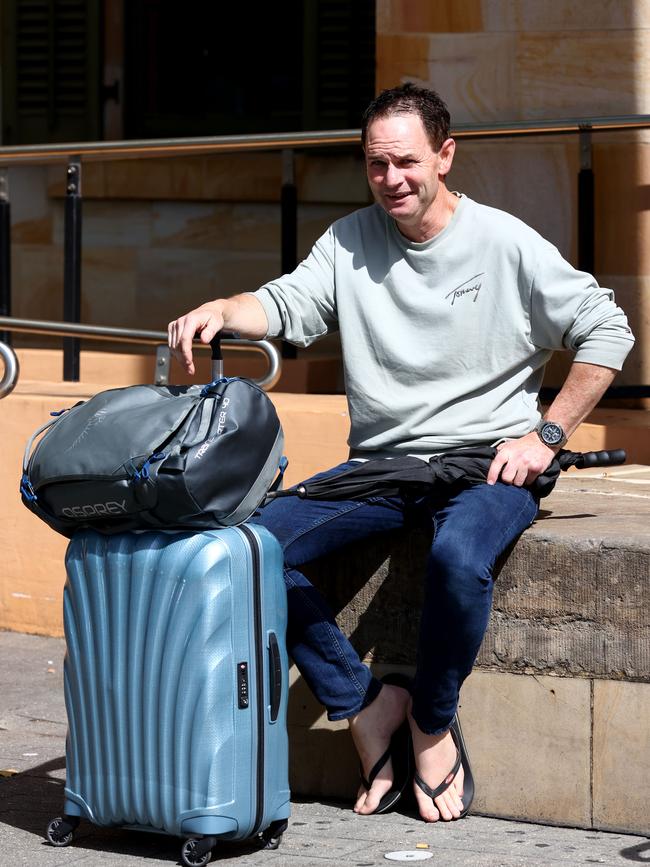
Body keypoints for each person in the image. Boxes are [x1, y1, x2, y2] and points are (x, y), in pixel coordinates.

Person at [168, 83, 634, 823]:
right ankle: (363, 702)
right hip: (381, 466)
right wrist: (223, 310)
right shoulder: (350, 241)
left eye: (407, 161)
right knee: (247, 547)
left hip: (488, 463)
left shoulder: (504, 241)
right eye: (376, 164)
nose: (392, 179)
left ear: (445, 156)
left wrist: (546, 435)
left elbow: (608, 329)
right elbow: (286, 305)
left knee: (457, 557)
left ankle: (429, 720)